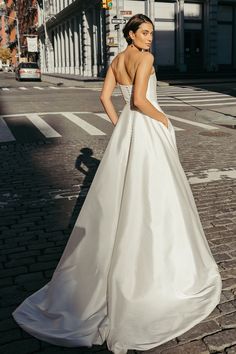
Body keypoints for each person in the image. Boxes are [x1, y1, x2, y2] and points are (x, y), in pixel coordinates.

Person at [13, 14, 222, 354]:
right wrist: (163, 119)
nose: (150, 38)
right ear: (130, 34)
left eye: (152, 33)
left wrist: (121, 125)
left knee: (122, 195)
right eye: (144, 32)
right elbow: (140, 100)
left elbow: (106, 99)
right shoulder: (144, 58)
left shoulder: (117, 59)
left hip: (128, 132)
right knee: (154, 195)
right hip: (148, 129)